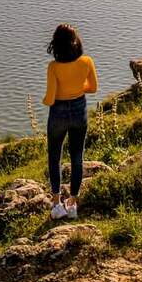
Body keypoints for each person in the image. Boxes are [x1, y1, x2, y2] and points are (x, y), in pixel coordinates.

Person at [42, 24, 98, 220]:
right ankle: (73, 204)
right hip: (79, 111)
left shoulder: (54, 67)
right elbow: (92, 88)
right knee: (77, 157)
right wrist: (76, 86)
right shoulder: (86, 62)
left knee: (54, 157)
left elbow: (50, 98)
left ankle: (57, 204)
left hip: (58, 113)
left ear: (56, 45)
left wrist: (51, 96)